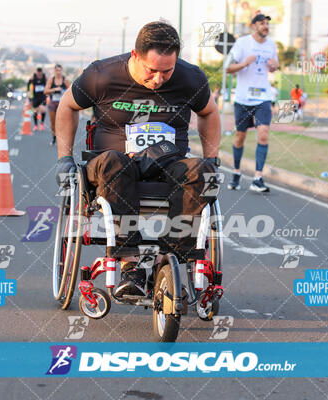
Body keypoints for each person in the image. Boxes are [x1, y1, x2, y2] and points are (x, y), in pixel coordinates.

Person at [55, 21, 221, 297]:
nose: (158, 79)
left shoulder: (190, 78)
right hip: (112, 164)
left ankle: (169, 259)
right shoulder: (102, 75)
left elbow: (210, 113)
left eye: (167, 71)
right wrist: (64, 157)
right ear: (135, 55)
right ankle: (131, 264)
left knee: (203, 171)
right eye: (151, 70)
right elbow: (67, 105)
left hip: (168, 164)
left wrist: (212, 158)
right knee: (114, 162)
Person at [225, 13, 279, 192]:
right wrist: (244, 64)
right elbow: (228, 68)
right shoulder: (242, 43)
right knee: (240, 136)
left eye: (267, 24)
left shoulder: (271, 45)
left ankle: (257, 178)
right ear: (253, 26)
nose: (266, 26)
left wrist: (274, 65)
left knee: (263, 133)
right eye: (262, 23)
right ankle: (237, 172)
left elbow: (275, 65)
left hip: (263, 97)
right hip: (242, 98)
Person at [45, 64, 71, 146]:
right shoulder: (51, 80)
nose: (58, 72)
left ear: (62, 71)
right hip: (53, 102)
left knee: (63, 122)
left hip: (62, 103)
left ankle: (62, 139)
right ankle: (54, 138)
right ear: (54, 71)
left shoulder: (65, 79)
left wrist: (64, 91)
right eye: (57, 70)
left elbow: (70, 90)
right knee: (53, 122)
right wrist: (55, 89)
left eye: (60, 70)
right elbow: (45, 91)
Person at [27, 67, 48, 131]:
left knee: (43, 110)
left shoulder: (45, 77)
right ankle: (36, 125)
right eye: (38, 73)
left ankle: (42, 124)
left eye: (40, 72)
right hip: (35, 97)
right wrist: (29, 93)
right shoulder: (33, 77)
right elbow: (28, 84)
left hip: (43, 96)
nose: (39, 74)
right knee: (35, 111)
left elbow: (48, 84)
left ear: (42, 72)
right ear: (36, 72)